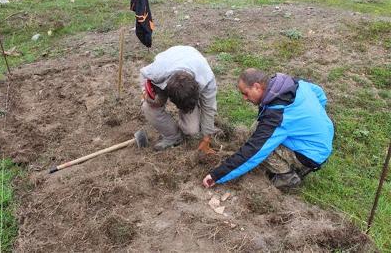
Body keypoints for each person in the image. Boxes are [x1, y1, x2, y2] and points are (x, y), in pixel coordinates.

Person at [203, 68, 334, 190]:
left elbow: (254, 150)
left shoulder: (277, 115)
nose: (244, 98)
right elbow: (319, 93)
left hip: (311, 155)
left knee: (263, 149)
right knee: (257, 129)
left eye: (245, 93)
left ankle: (287, 177)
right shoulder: (292, 83)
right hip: (323, 137)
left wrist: (216, 175)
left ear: (257, 86)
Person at [140, 45, 217, 154]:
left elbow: (209, 109)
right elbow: (143, 76)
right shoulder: (157, 71)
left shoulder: (206, 79)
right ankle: (173, 137)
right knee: (148, 107)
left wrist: (206, 138)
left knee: (191, 130)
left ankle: (189, 119)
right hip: (166, 73)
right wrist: (146, 93)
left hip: (191, 62)